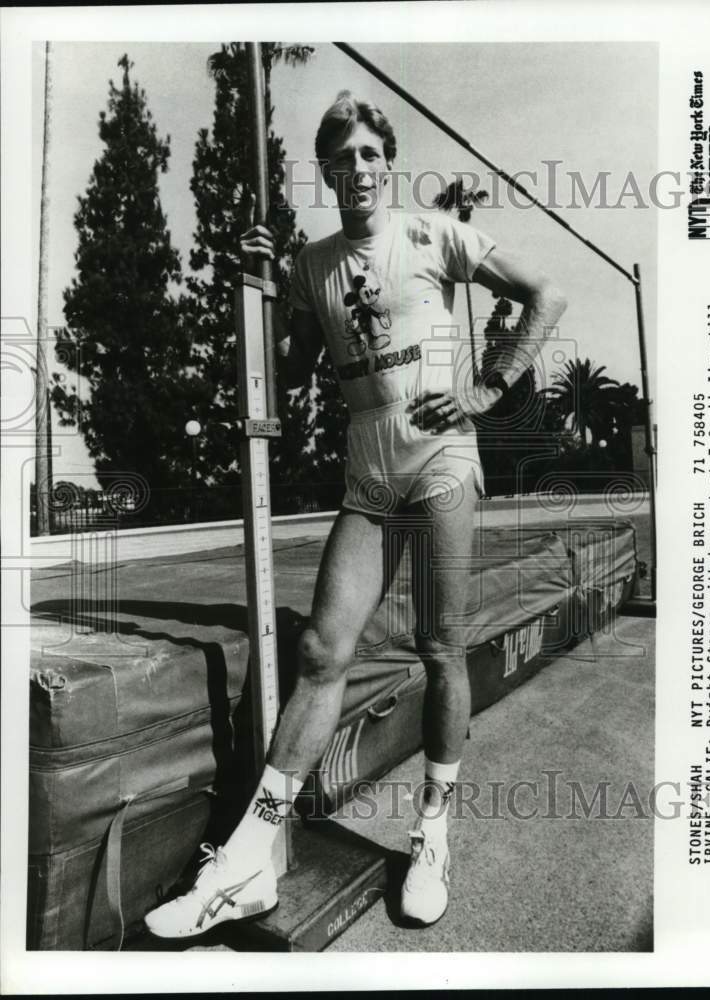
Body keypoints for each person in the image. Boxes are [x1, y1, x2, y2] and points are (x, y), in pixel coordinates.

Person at [145, 91, 566, 938]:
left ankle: (435, 836)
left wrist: (486, 389)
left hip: (440, 455)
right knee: (320, 650)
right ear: (327, 170)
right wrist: (259, 286)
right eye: (343, 158)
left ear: (388, 162)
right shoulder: (310, 262)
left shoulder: (434, 234)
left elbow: (545, 293)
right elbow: (292, 372)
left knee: (442, 646)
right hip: (368, 465)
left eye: (372, 154)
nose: (360, 170)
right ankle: (250, 861)